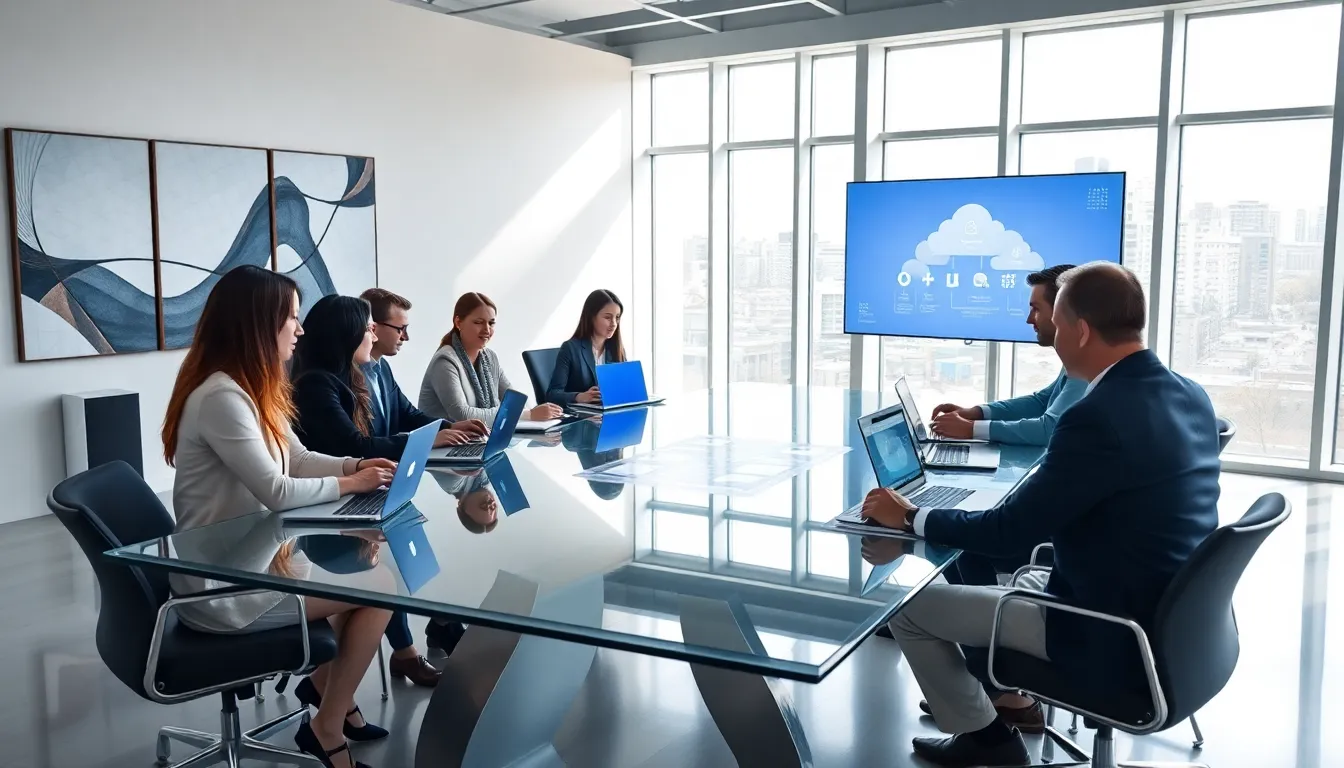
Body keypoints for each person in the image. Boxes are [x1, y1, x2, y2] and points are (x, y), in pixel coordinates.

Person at [860, 262, 1220, 767]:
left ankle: (988, 742)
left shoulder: (1096, 417)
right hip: (1170, 619)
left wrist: (912, 517)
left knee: (909, 608)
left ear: (1080, 329)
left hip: (1103, 627)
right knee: (978, 580)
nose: (1044, 330)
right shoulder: (1189, 392)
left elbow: (1010, 531)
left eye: (1053, 320)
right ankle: (999, 700)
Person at [162, 265, 394, 768]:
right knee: (381, 591)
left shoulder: (250, 389)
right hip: (226, 590)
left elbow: (300, 459)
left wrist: (357, 464)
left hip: (253, 561)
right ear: (258, 324)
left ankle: (327, 696)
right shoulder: (223, 397)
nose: (301, 328)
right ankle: (326, 728)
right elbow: (277, 489)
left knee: (365, 579)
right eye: (291, 317)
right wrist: (352, 483)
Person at [290, 294, 486, 686]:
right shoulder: (318, 384)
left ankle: (426, 633)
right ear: (353, 333)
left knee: (412, 542)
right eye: (369, 329)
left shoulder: (360, 375)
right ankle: (415, 644)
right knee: (393, 563)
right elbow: (355, 447)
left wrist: (442, 429)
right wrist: (428, 441)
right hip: (330, 510)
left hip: (362, 492)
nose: (377, 335)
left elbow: (407, 417)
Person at [929, 264, 1086, 445]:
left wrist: (970, 429)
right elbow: (1041, 402)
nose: (1029, 319)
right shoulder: (1074, 360)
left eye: (1036, 309)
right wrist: (977, 413)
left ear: (1061, 312)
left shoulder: (1086, 365)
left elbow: (1049, 429)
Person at [418, 291, 563, 424]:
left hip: (476, 439)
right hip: (441, 446)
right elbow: (462, 414)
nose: (487, 330)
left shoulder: (489, 357)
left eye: (491, 323)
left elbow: (515, 400)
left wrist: (535, 412)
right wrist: (528, 414)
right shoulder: (445, 361)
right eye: (478, 322)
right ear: (458, 322)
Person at [546, 289, 627, 405]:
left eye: (617, 317)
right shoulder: (570, 348)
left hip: (610, 413)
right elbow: (552, 394)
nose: (614, 323)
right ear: (591, 317)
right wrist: (580, 396)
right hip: (581, 419)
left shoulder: (617, 349)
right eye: (608, 317)